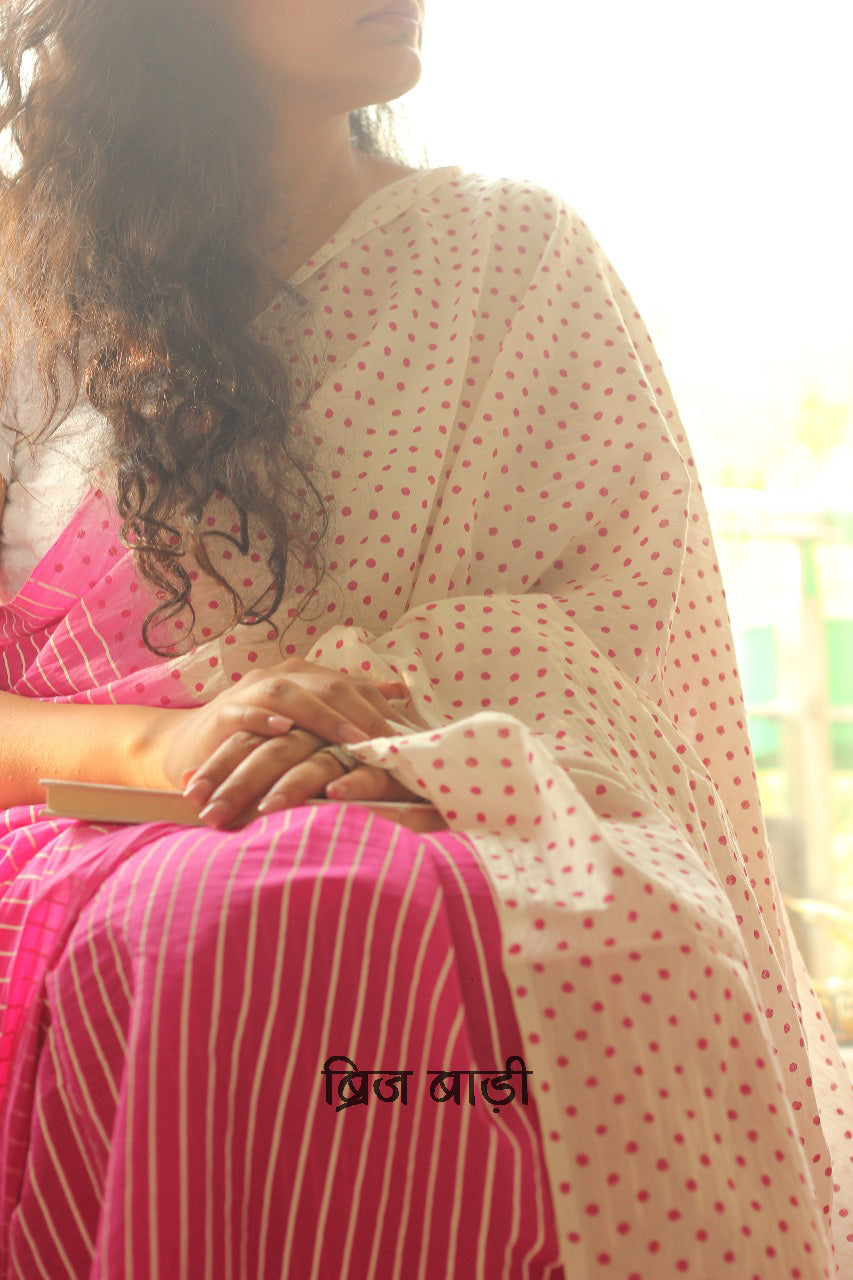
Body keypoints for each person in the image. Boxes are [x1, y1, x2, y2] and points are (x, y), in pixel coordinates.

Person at [1, 1, 851, 1277]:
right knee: (252, 919)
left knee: (628, 935)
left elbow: (624, 648)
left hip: (481, 791)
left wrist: (400, 724)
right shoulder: (24, 277)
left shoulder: (512, 259)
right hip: (102, 809)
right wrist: (182, 744)